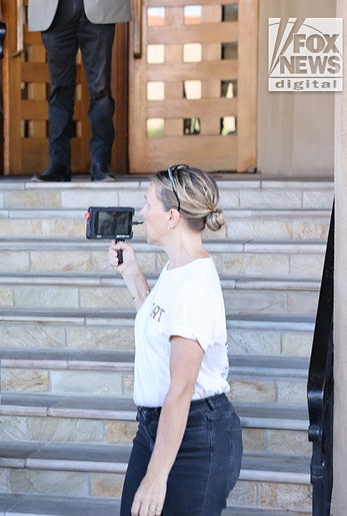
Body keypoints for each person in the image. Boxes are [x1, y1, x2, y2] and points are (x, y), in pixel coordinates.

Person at [109, 165, 243, 515]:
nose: (141, 212)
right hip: (157, 427)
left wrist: (156, 475)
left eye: (147, 203)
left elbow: (181, 389)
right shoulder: (175, 271)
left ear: (171, 216)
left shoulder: (194, 287)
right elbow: (157, 320)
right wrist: (132, 274)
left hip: (197, 435)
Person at [28, 0, 131, 182]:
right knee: (59, 89)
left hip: (98, 5)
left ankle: (100, 163)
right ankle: (58, 164)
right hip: (54, 8)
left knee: (101, 90)